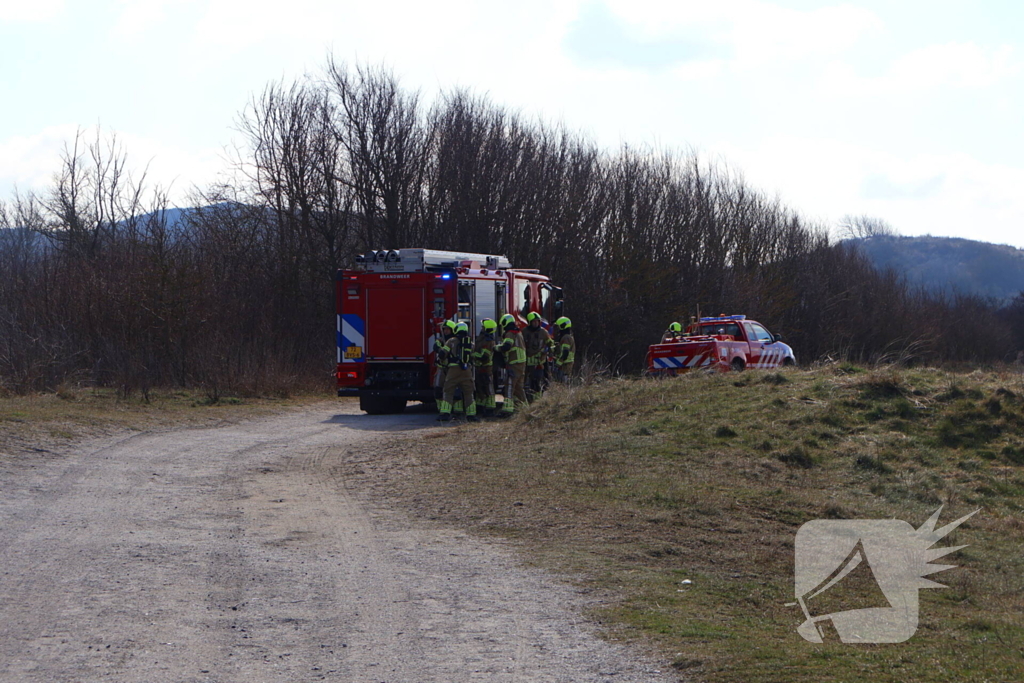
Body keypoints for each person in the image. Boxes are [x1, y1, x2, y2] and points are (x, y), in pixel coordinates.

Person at [437, 322, 479, 422]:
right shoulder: (470, 343)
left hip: (453, 370)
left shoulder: (451, 341)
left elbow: (443, 354)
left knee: (448, 391)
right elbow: (473, 357)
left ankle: (445, 414)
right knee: (469, 393)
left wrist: (438, 348)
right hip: (467, 371)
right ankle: (471, 415)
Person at [495, 313, 527, 417]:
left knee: (509, 384)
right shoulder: (518, 332)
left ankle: (507, 409)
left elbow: (506, 346)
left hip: (514, 363)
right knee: (518, 387)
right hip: (521, 363)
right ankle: (525, 408)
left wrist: (496, 348)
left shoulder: (510, 333)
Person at [522, 312, 552, 401]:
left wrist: (547, 350)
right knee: (526, 381)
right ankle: (528, 398)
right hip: (527, 362)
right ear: (529, 322)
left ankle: (538, 400)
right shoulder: (524, 332)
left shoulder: (543, 332)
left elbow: (550, 342)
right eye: (533, 322)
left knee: (538, 381)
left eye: (537, 322)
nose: (535, 323)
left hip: (539, 362)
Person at [473, 318, 498, 417]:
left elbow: (484, 356)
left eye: (483, 327)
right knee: (480, 388)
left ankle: (490, 409)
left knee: (488, 388)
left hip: (486, 368)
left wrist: (473, 355)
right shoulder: (481, 338)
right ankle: (480, 407)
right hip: (479, 368)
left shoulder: (489, 341)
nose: (482, 328)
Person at [553, 316, 575, 382]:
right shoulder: (568, 336)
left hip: (565, 365)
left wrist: (558, 364)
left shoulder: (566, 338)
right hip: (566, 364)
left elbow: (565, 352)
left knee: (562, 382)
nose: (557, 329)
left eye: (558, 326)